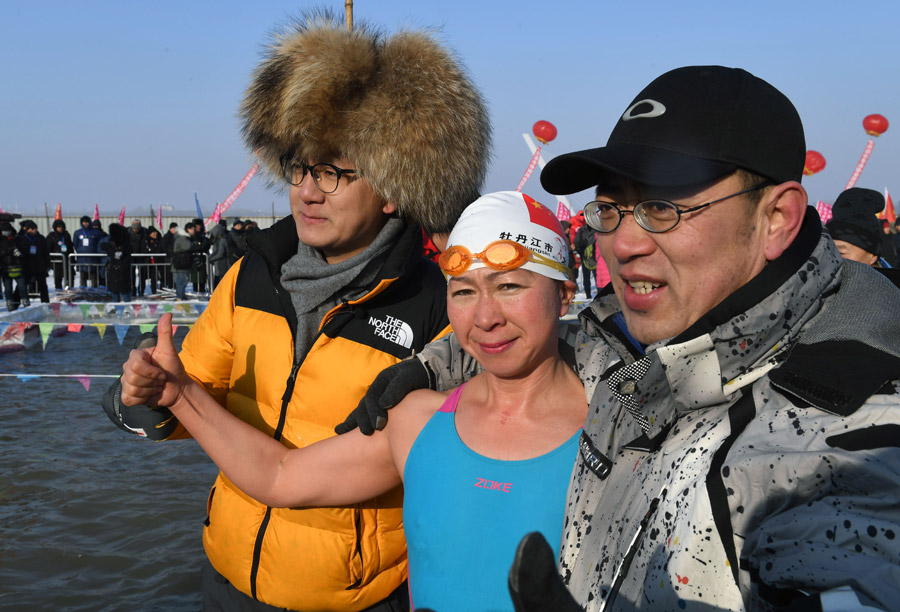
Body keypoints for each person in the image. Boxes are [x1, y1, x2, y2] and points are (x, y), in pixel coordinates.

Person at [351, 66, 900, 611]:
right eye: (610, 209)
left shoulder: (849, 427)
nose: (623, 243)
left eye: (662, 206)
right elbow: (527, 333)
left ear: (776, 217)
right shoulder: (629, 344)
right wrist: (430, 365)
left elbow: (856, 549)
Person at [101, 10, 489, 612]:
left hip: (359, 597)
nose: (308, 190)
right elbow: (188, 395)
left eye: (334, 172)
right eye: (302, 167)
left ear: (392, 190)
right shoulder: (252, 273)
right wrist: (145, 392)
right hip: (227, 579)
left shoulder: (439, 307)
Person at [119, 192, 584, 612]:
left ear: (564, 294)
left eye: (510, 287)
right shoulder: (419, 419)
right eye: (463, 292)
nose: (485, 318)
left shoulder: (617, 430)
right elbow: (280, 477)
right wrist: (180, 395)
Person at [824, 187, 900, 287]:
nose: (832, 259)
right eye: (827, 251)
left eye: (841, 253)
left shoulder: (890, 295)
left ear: (872, 257)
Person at [16, 220, 50, 304]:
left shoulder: (41, 238)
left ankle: (45, 303)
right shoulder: (22, 239)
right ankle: (15, 302)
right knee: (21, 286)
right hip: (26, 267)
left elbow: (46, 253)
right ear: (27, 230)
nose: (34, 230)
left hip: (39, 267)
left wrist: (47, 265)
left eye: (35, 228)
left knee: (43, 287)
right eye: (31, 228)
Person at [1, 214, 27, 310]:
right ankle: (9, 303)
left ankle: (25, 301)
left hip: (17, 266)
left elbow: (23, 250)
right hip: (5, 267)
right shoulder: (1, 241)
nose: (6, 233)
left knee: (22, 287)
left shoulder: (16, 238)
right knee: (8, 288)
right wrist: (8, 251)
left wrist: (19, 253)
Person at [104, 223, 133, 302]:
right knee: (115, 294)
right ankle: (117, 309)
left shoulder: (125, 246)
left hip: (122, 272)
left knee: (124, 293)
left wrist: (109, 250)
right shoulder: (114, 245)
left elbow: (117, 255)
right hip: (115, 272)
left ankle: (127, 309)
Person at [73, 215, 102, 288]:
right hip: (82, 259)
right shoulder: (77, 233)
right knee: (83, 276)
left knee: (93, 276)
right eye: (84, 222)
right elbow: (75, 244)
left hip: (93, 259)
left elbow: (100, 244)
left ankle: (94, 291)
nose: (85, 224)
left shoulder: (96, 233)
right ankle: (83, 291)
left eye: (87, 222)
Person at [170, 221, 195, 300]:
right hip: (181, 264)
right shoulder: (182, 238)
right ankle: (180, 297)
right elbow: (188, 247)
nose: (194, 231)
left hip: (181, 264)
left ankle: (181, 295)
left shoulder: (180, 238)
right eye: (193, 229)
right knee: (181, 281)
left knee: (182, 281)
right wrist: (196, 244)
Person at [47, 219, 74, 290]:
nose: (60, 228)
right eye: (58, 227)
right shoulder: (52, 236)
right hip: (57, 261)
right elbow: (48, 248)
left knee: (69, 276)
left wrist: (73, 259)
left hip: (67, 260)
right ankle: (58, 290)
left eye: (61, 226)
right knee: (58, 277)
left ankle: (69, 289)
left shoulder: (66, 235)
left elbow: (70, 247)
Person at [572, 222, 597, 299]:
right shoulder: (596, 230)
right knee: (594, 277)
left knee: (588, 276)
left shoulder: (581, 230)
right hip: (592, 257)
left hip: (587, 257)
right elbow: (577, 243)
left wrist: (581, 252)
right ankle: (592, 295)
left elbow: (576, 243)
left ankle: (588, 295)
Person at [207, 219, 230, 289]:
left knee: (222, 281)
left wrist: (210, 258)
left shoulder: (221, 240)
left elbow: (220, 253)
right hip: (220, 264)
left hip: (222, 264)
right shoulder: (221, 239)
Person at [128, 219, 149, 297]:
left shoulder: (145, 232)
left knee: (142, 276)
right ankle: (132, 291)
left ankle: (141, 291)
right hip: (131, 256)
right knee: (131, 275)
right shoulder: (127, 232)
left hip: (142, 257)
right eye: (134, 228)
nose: (135, 229)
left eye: (137, 228)